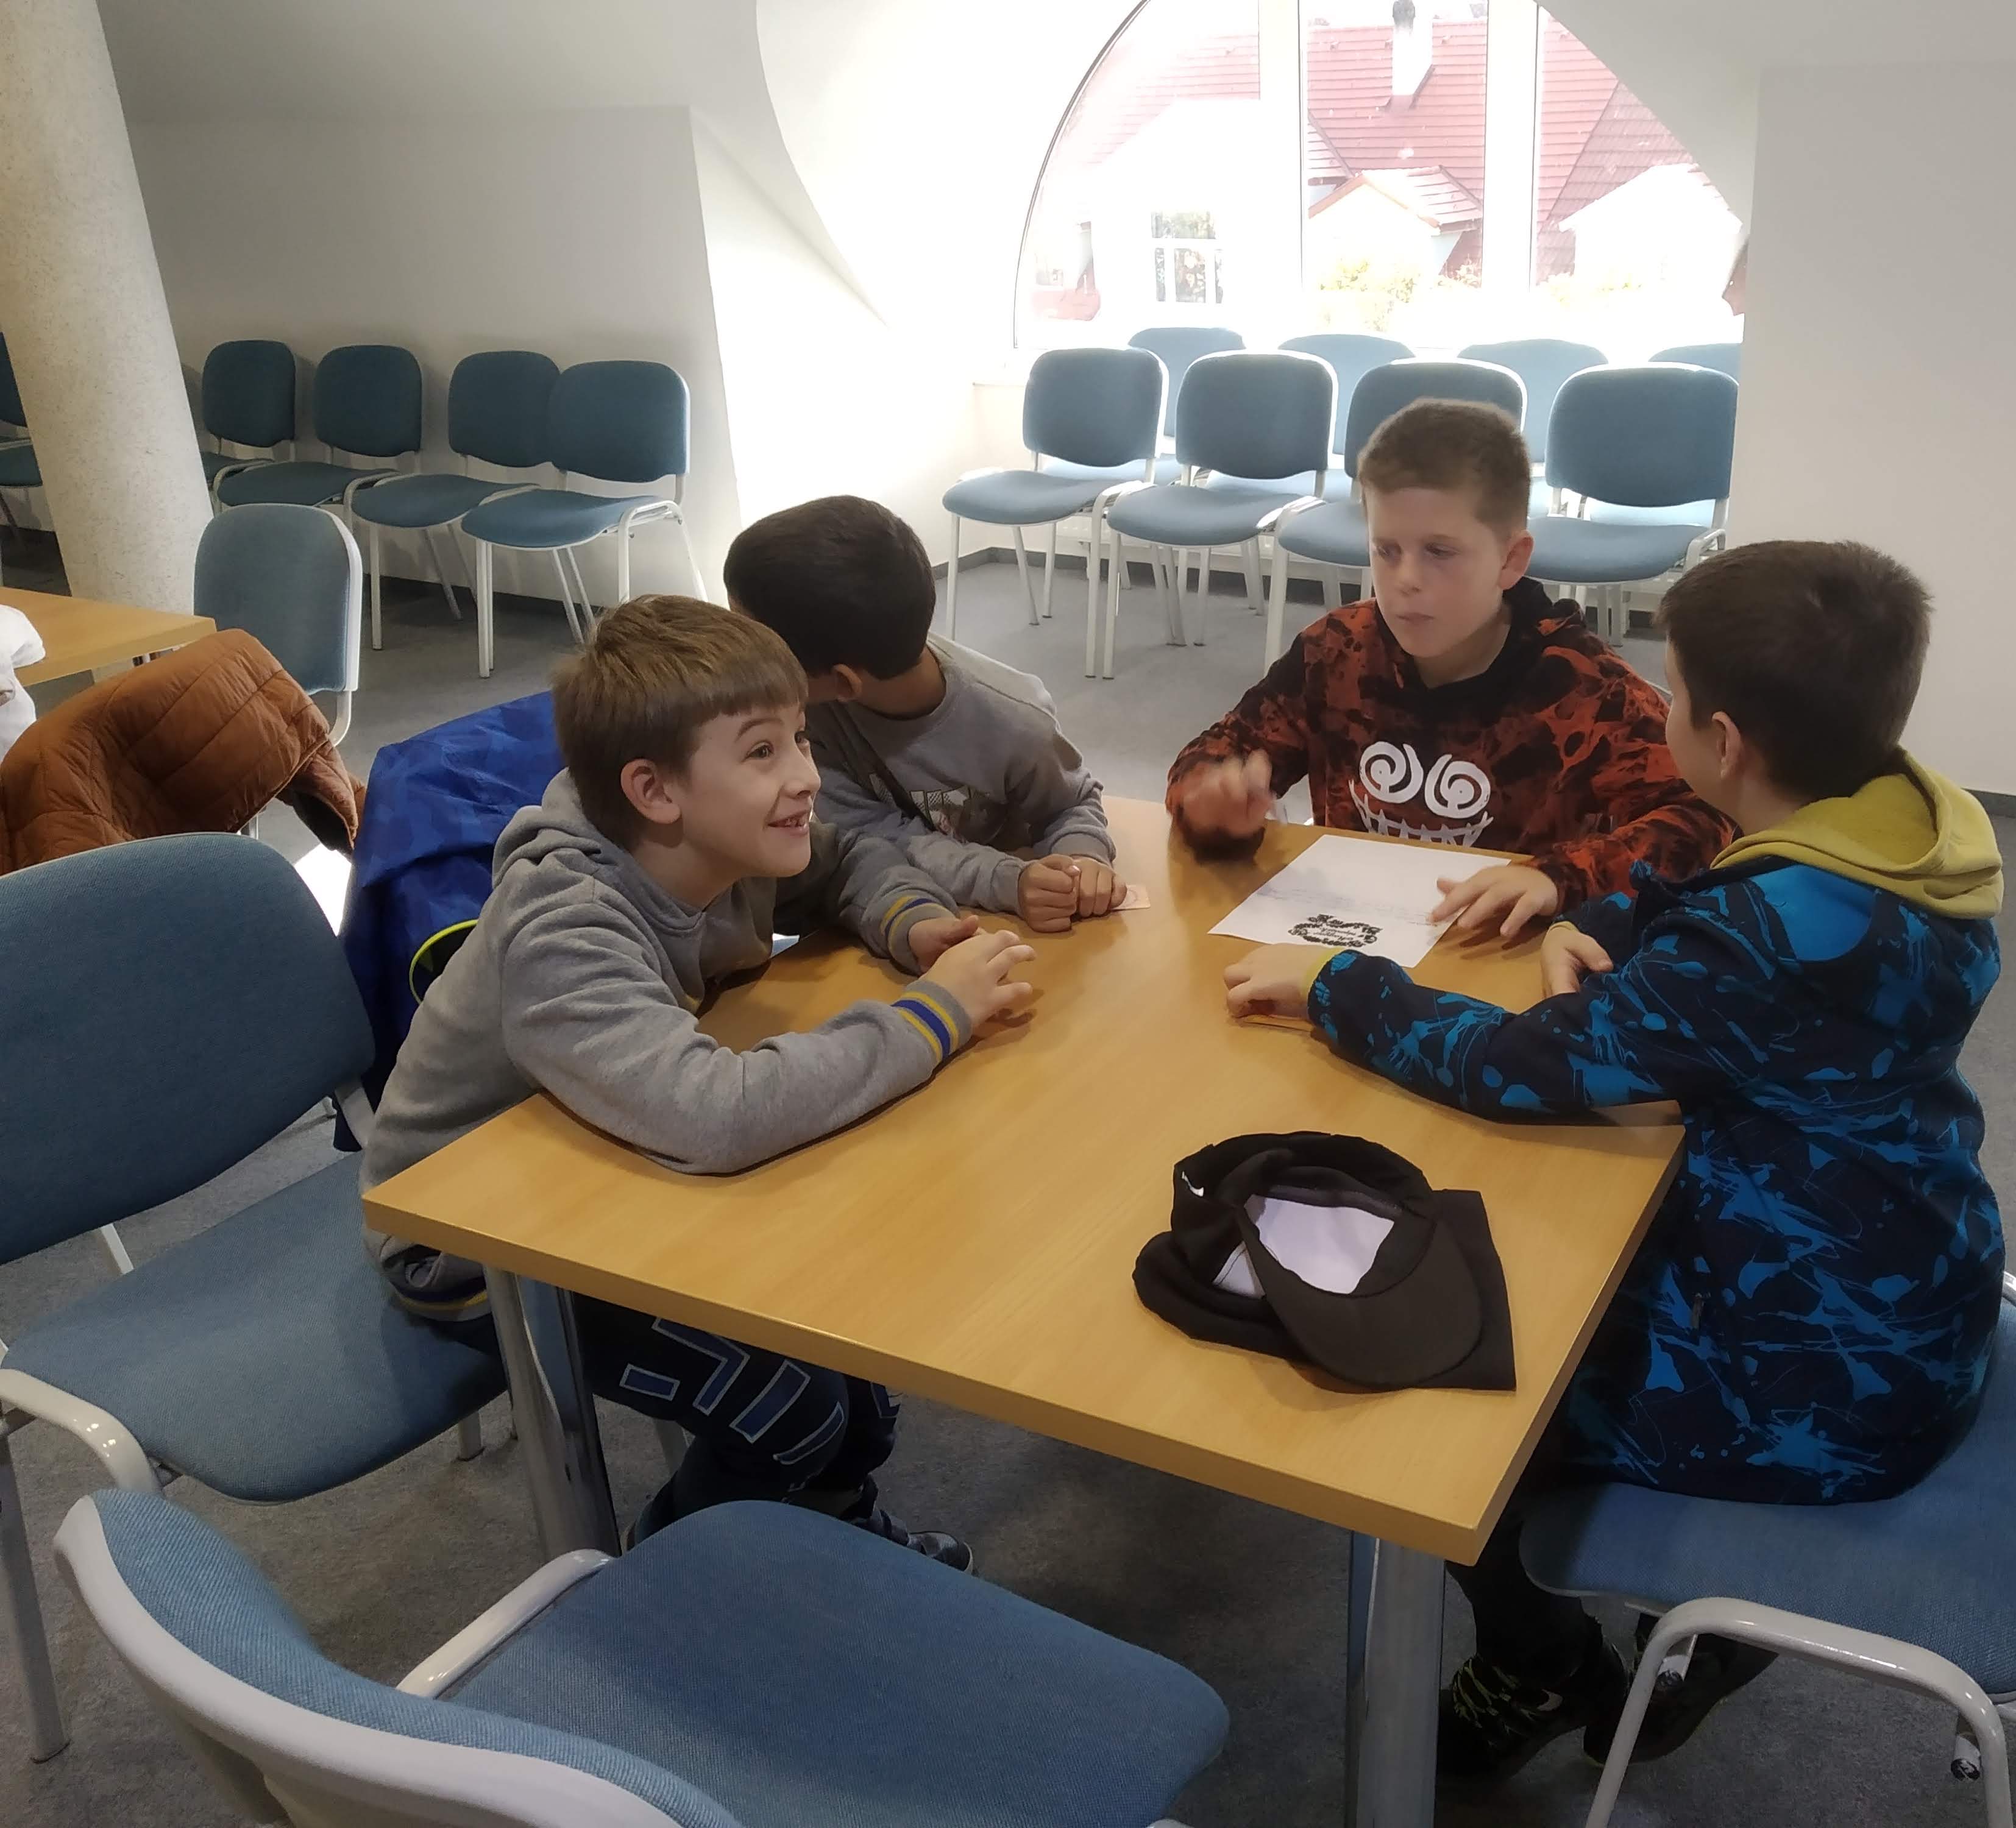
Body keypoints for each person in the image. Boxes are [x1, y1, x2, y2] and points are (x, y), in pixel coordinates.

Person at [1220, 540, 2006, 1780]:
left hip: (1824, 1375)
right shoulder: (1893, 830)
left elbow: (1523, 1068)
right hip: (1910, 1271)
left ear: (1723, 743)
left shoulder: (1764, 941)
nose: (1662, 705)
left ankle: (1541, 1662)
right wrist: (1597, 916)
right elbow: (1732, 895)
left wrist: (1336, 986)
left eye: (1673, 690)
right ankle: (1692, 1624)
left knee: (1450, 1400)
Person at [360, 595, 1037, 1565]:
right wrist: (934, 1016)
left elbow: (849, 859)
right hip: (480, 1245)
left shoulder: (728, 839)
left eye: (801, 738)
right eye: (763, 751)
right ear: (654, 791)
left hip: (618, 1164)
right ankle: (674, 1576)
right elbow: (713, 1114)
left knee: (854, 1353)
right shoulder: (565, 923)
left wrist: (911, 921)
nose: (807, 776)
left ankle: (834, 1536)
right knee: (788, 1404)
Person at [1166, 399, 1730, 937]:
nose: (1406, 580)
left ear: (1511, 560)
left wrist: (1558, 878)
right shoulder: (1335, 651)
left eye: (1439, 552)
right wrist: (1211, 801)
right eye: (1386, 550)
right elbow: (1217, 753)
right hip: (1345, 943)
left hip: (1499, 956)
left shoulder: (1586, 689)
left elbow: (1706, 822)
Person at [726, 495, 1124, 934]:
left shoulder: (1016, 721)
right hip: (902, 905)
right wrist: (1003, 880)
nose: (742, 659)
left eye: (758, 645)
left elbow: (1071, 803)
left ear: (843, 683)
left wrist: (1082, 861)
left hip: (1004, 923)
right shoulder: (808, 717)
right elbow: (868, 838)